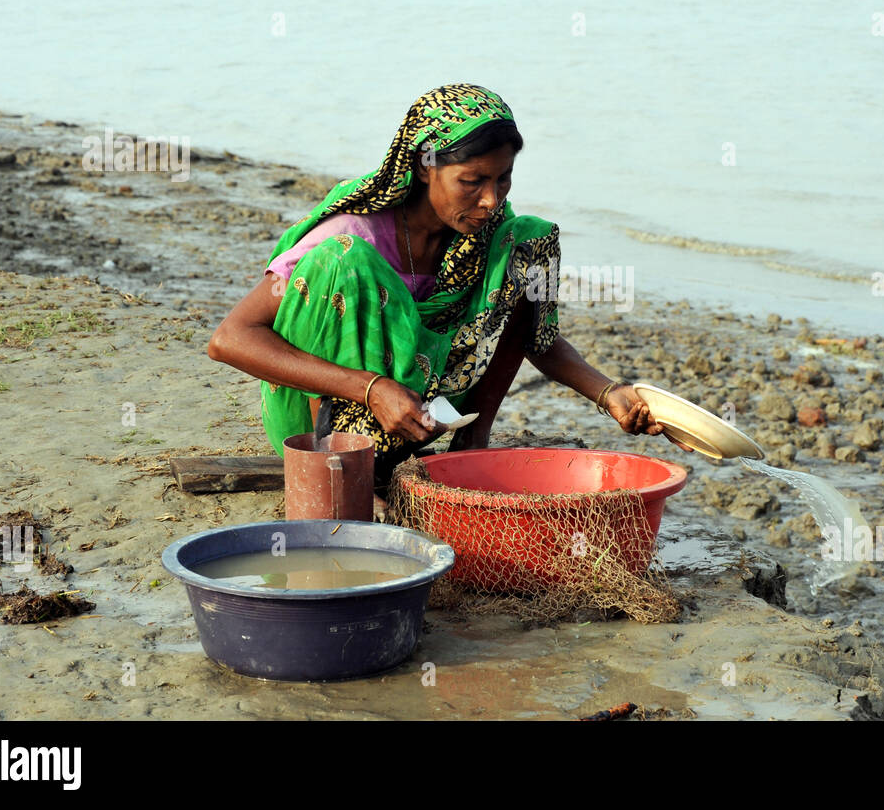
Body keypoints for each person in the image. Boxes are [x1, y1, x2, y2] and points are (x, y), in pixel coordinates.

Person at [207, 83, 687, 507]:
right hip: (326, 410)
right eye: (472, 182)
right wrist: (372, 389)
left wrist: (610, 393)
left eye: (503, 179)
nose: (490, 200)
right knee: (343, 265)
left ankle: (471, 443)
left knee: (528, 243)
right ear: (424, 167)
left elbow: (536, 337)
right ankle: (344, 471)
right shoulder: (352, 235)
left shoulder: (487, 231)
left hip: (421, 408)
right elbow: (229, 339)